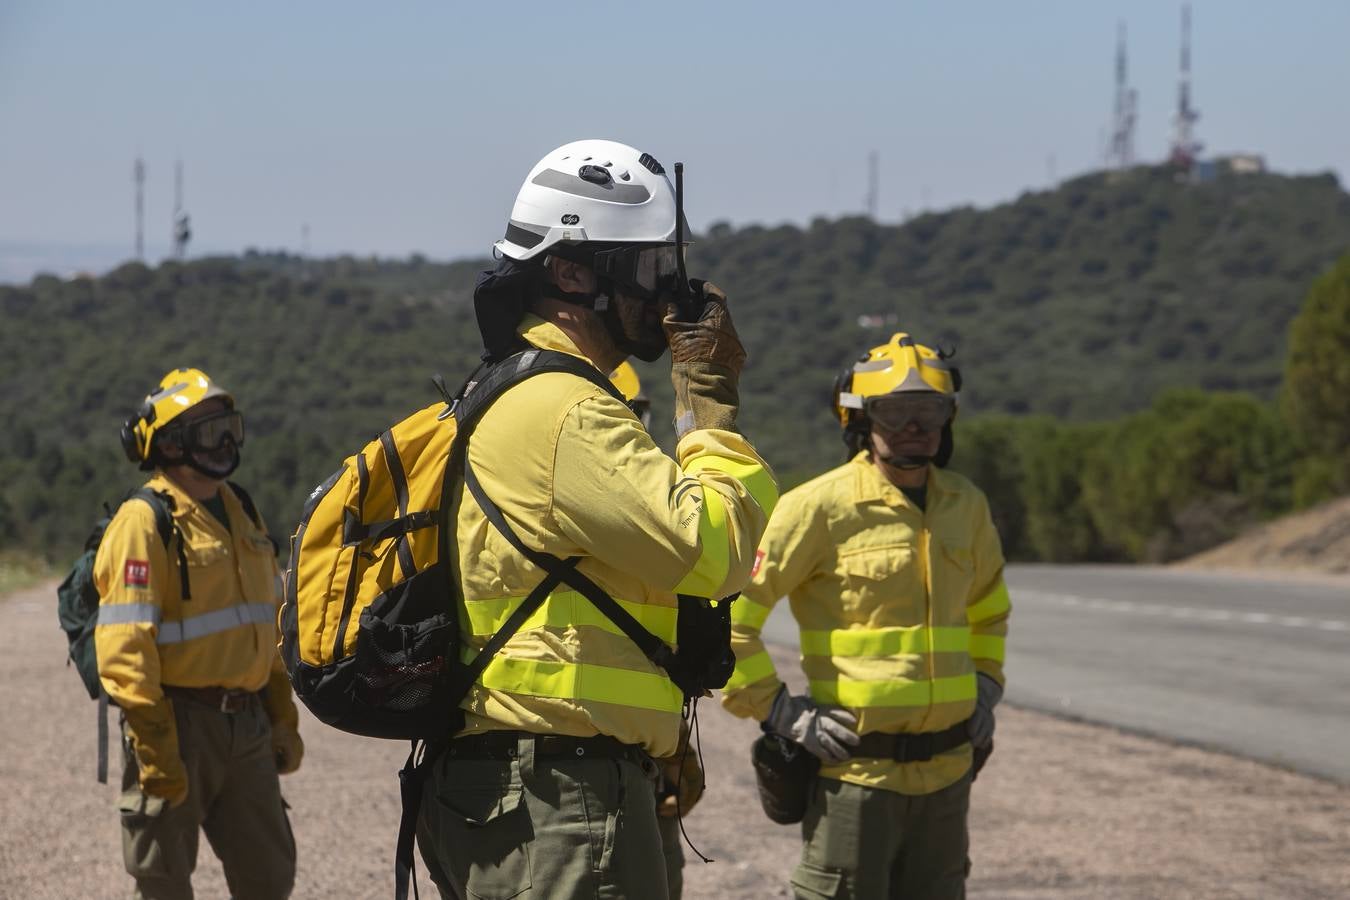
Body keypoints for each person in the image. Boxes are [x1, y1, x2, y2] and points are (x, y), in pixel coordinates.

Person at [412, 139, 777, 900]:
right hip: (561, 798)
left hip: (538, 785)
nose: (670, 294)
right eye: (648, 268)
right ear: (572, 272)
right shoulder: (566, 413)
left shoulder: (526, 392)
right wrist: (709, 408)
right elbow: (715, 551)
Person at [720, 333, 1011, 900]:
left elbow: (990, 611)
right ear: (858, 418)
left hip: (949, 776)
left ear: (947, 417)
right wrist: (781, 712)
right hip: (854, 779)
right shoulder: (819, 507)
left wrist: (987, 685)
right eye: (894, 410)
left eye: (928, 410)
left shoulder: (966, 505)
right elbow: (727, 614)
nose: (913, 425)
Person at [95, 368, 301, 900]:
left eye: (230, 427)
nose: (226, 443)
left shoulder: (242, 508)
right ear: (168, 445)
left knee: (269, 878)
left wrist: (281, 714)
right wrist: (155, 743)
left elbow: (265, 616)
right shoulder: (144, 521)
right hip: (177, 722)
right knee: (163, 880)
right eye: (210, 432)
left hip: (248, 721)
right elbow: (124, 647)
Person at [608, 360, 707, 900]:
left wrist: (677, 751)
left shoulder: (661, 515)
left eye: (635, 415)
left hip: (651, 768)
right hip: (575, 773)